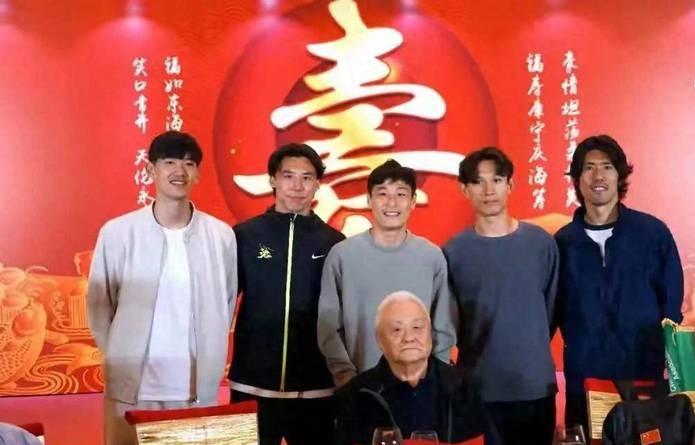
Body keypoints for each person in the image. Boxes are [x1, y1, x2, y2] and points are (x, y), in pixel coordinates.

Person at [87, 131, 238, 445]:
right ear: (151, 170)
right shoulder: (118, 233)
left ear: (197, 173)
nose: (179, 171)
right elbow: (100, 306)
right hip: (133, 389)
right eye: (169, 162)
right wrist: (119, 354)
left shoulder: (221, 236)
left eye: (189, 163)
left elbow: (225, 303)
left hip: (198, 389)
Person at [555, 134, 684, 433]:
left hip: (645, 381)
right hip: (585, 383)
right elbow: (550, 312)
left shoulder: (652, 234)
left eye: (607, 167)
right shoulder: (562, 243)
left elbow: (671, 309)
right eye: (588, 168)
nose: (598, 176)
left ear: (620, 176)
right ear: (577, 179)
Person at [229, 143, 345, 445]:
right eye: (288, 176)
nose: (297, 186)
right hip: (251, 384)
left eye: (307, 178)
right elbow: (223, 302)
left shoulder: (334, 242)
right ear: (273, 180)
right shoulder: (245, 235)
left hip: (315, 388)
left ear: (317, 184)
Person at [444, 147, 558, 445]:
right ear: (464, 189)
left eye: (496, 180)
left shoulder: (541, 243)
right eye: (477, 182)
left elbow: (550, 311)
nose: (488, 190)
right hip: (478, 389)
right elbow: (452, 322)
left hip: (534, 386)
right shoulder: (454, 252)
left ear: (510, 184)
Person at [318, 159, 457, 387]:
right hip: (359, 385)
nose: (392, 202)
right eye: (382, 194)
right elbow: (328, 325)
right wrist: (344, 374)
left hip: (421, 386)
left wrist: (435, 379)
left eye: (401, 194)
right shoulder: (342, 255)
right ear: (369, 199)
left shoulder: (431, 256)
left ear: (413, 201)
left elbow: (443, 325)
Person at [334, 291, 481, 445]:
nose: (409, 338)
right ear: (379, 340)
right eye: (397, 330)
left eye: (417, 327)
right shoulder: (355, 396)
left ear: (430, 334)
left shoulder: (464, 389)